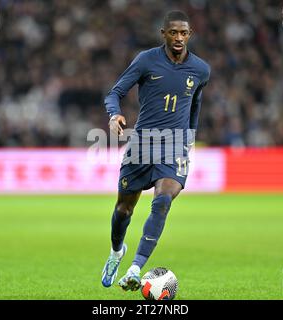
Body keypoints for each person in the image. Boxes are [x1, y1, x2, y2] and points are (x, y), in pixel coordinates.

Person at [101, 10, 211, 291]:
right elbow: (114, 93)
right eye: (173, 32)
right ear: (163, 33)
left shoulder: (200, 70)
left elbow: (195, 105)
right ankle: (117, 252)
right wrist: (114, 115)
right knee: (124, 210)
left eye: (183, 33)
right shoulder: (146, 60)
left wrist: (190, 138)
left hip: (174, 146)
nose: (178, 38)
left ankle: (136, 268)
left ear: (190, 35)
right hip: (142, 143)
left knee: (163, 200)